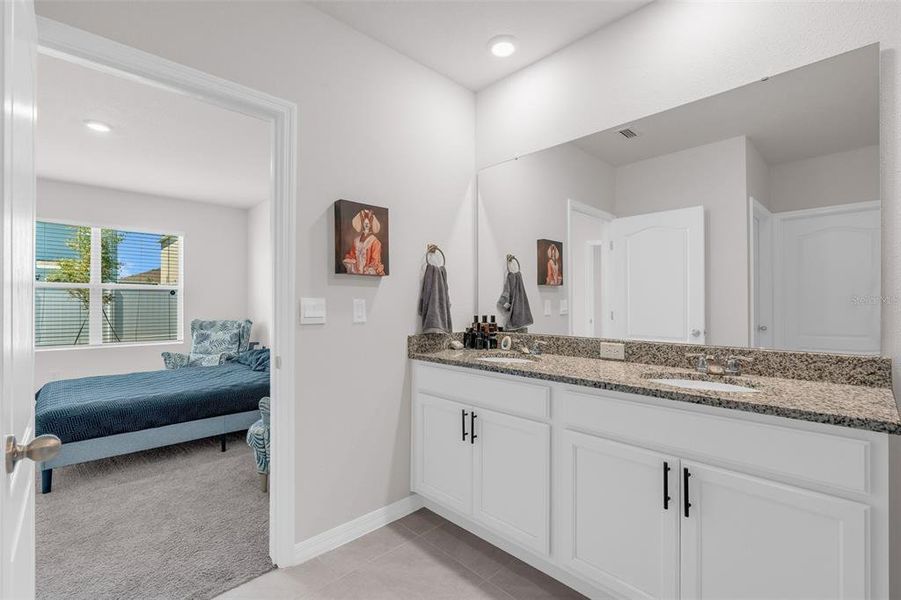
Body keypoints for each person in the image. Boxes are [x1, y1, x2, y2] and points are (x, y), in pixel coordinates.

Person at [342, 209, 385, 275]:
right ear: (362, 224)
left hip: (369, 272)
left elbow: (375, 260)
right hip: (357, 272)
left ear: (371, 224)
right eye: (365, 223)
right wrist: (354, 264)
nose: (366, 225)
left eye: (368, 223)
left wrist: (367, 269)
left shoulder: (375, 241)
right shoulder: (356, 240)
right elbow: (352, 255)